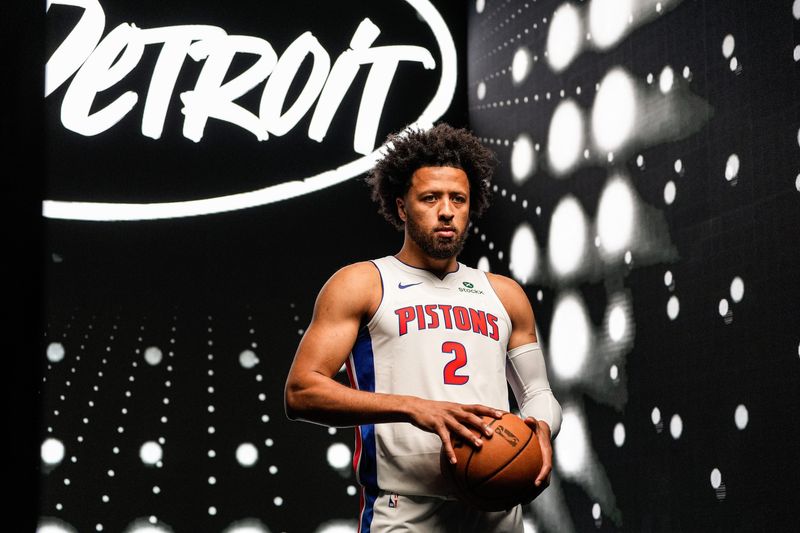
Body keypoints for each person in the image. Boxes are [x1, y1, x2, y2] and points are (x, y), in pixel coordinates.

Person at [284, 123, 562, 532]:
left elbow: (538, 393)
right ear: (401, 207)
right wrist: (414, 407)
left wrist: (538, 428)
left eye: (458, 199)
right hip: (405, 512)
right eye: (430, 198)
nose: (446, 210)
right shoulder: (363, 283)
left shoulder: (503, 294)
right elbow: (301, 391)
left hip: (496, 513)